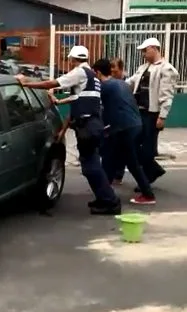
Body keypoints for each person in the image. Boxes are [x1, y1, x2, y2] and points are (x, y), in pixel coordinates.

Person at [15, 45, 121, 215]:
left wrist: (28, 83)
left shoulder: (80, 72)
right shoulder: (92, 76)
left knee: (91, 167)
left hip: (88, 127)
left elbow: (54, 83)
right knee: (92, 165)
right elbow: (77, 102)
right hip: (92, 125)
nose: (69, 62)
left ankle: (110, 201)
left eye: (69, 59)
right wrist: (62, 125)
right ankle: (104, 199)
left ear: (73, 59)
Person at [92, 59, 156, 205]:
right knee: (117, 159)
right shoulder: (121, 83)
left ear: (98, 72)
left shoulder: (105, 86)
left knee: (114, 160)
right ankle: (105, 193)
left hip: (124, 128)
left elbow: (93, 103)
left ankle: (146, 195)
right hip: (134, 125)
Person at [126, 37, 178, 190]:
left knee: (147, 148)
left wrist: (162, 116)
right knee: (133, 144)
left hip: (152, 114)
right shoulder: (143, 68)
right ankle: (154, 170)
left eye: (145, 50)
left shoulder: (166, 69)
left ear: (154, 48)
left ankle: (147, 178)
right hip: (138, 112)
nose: (143, 54)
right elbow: (131, 82)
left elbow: (166, 94)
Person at [105, 58, 127, 185]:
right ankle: (111, 174)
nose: (112, 71)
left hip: (124, 120)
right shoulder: (109, 83)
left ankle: (118, 174)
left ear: (121, 69)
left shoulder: (127, 83)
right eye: (111, 69)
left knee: (122, 149)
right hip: (111, 119)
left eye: (115, 69)